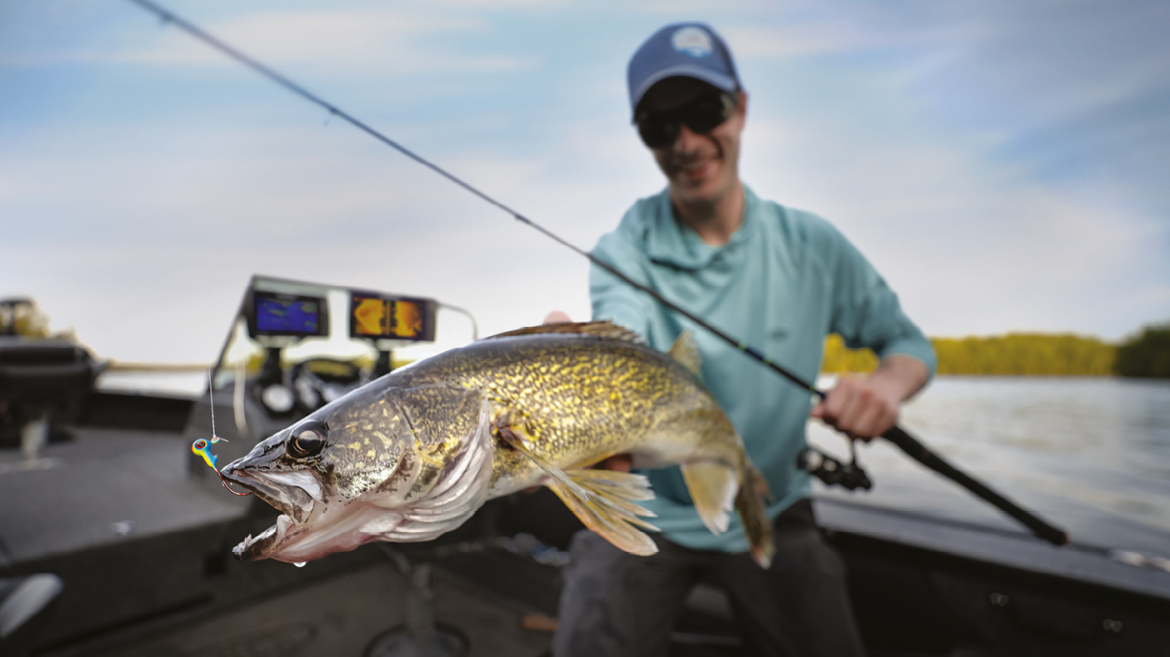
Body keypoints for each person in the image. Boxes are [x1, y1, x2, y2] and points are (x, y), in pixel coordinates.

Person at [550, 22, 937, 657]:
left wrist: (886, 386)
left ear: (742, 107)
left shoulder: (813, 245)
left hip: (776, 506)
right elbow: (628, 340)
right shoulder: (622, 250)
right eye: (659, 127)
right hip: (654, 506)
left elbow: (909, 344)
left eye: (706, 111)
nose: (688, 142)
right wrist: (575, 369)